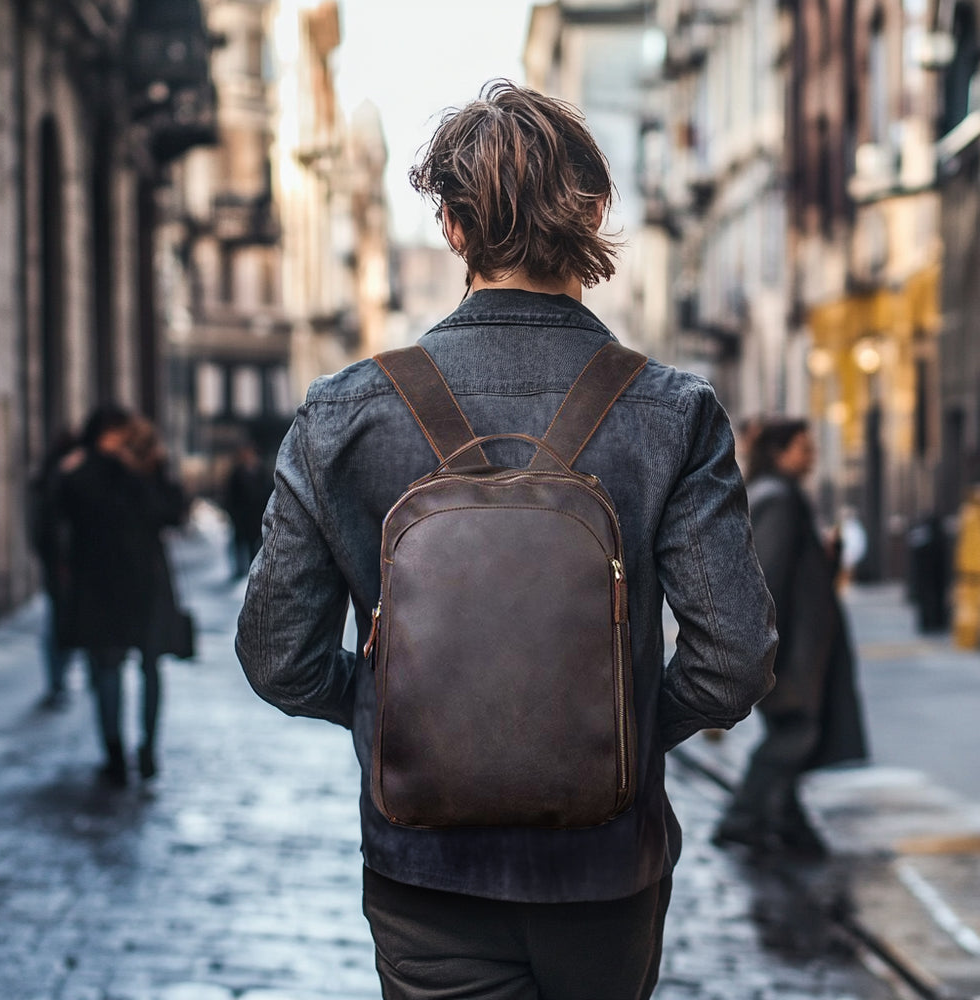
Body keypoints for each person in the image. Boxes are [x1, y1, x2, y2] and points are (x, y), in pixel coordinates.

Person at [236, 80, 776, 999]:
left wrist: (400, 718)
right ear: (598, 210)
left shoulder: (342, 415)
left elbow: (277, 656)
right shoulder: (672, 413)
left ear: (448, 225)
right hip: (605, 870)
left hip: (426, 867)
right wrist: (619, 737)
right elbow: (733, 660)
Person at [713, 417, 868, 858]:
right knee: (795, 734)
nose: (812, 455)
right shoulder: (778, 499)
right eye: (803, 447)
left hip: (797, 647)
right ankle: (744, 820)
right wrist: (767, 650)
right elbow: (770, 578)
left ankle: (786, 822)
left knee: (796, 733)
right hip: (793, 651)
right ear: (780, 452)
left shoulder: (776, 494)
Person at [56, 407, 187, 786]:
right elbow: (171, 511)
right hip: (125, 583)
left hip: (118, 583)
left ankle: (133, 753)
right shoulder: (120, 470)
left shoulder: (100, 470)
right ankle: (128, 752)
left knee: (127, 667)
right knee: (124, 668)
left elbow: (172, 513)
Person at [27, 429, 82, 709]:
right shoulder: (59, 483)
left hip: (63, 565)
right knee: (60, 623)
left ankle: (59, 679)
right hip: (64, 565)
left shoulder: (52, 481)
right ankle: (59, 680)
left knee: (61, 622)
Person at [224, 442, 272, 580]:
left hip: (256, 516)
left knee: (254, 545)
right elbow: (230, 496)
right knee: (239, 543)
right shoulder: (237, 474)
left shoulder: (262, 473)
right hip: (241, 516)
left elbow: (267, 493)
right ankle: (239, 571)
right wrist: (233, 514)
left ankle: (253, 571)